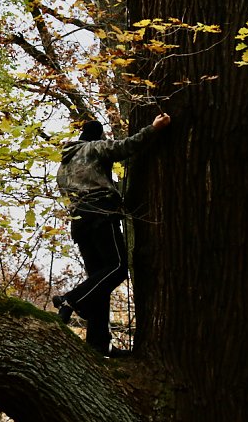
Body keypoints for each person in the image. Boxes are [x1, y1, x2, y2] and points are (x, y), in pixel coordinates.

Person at [54, 113, 171, 357]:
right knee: (117, 267)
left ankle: (99, 344)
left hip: (79, 223)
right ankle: (71, 301)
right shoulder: (94, 147)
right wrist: (154, 128)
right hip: (100, 214)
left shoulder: (63, 166)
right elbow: (125, 147)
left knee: (99, 281)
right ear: (98, 135)